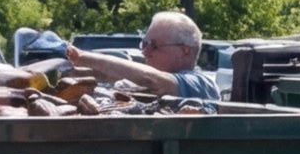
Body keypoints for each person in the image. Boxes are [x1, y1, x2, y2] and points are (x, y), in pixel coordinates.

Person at [63, 9, 223, 101]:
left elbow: (151, 79)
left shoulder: (201, 84)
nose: (145, 52)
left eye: (154, 45)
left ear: (185, 51)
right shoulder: (146, 83)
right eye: (144, 44)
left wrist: (83, 57)